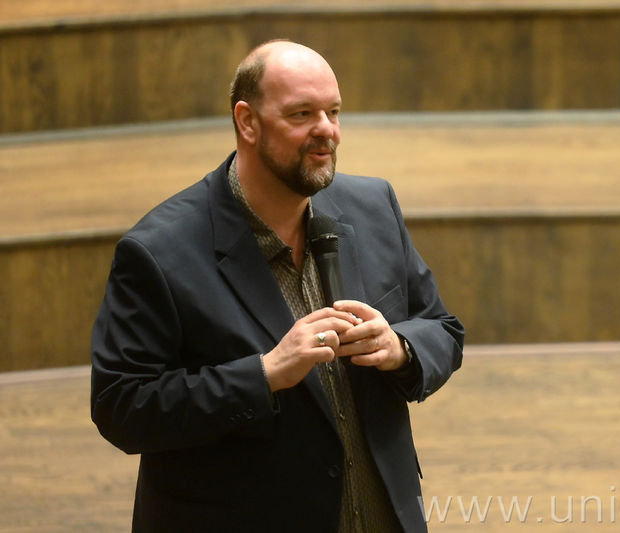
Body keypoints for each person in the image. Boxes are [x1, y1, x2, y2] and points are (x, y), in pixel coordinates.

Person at [90, 40, 464, 532]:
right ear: (248, 122)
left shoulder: (374, 206)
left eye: (333, 112)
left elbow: (442, 328)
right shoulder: (158, 252)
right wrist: (263, 374)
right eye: (302, 114)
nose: (327, 130)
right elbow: (122, 407)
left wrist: (399, 348)